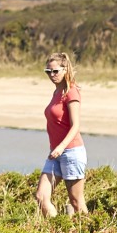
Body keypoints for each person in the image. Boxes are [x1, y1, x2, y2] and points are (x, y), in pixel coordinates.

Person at [35, 52, 87, 220]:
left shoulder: (71, 92)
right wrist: (56, 149)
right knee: (41, 197)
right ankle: (60, 230)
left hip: (71, 152)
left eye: (55, 71)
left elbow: (76, 126)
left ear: (65, 69)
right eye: (48, 72)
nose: (52, 75)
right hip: (55, 154)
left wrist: (61, 146)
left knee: (76, 202)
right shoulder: (56, 92)